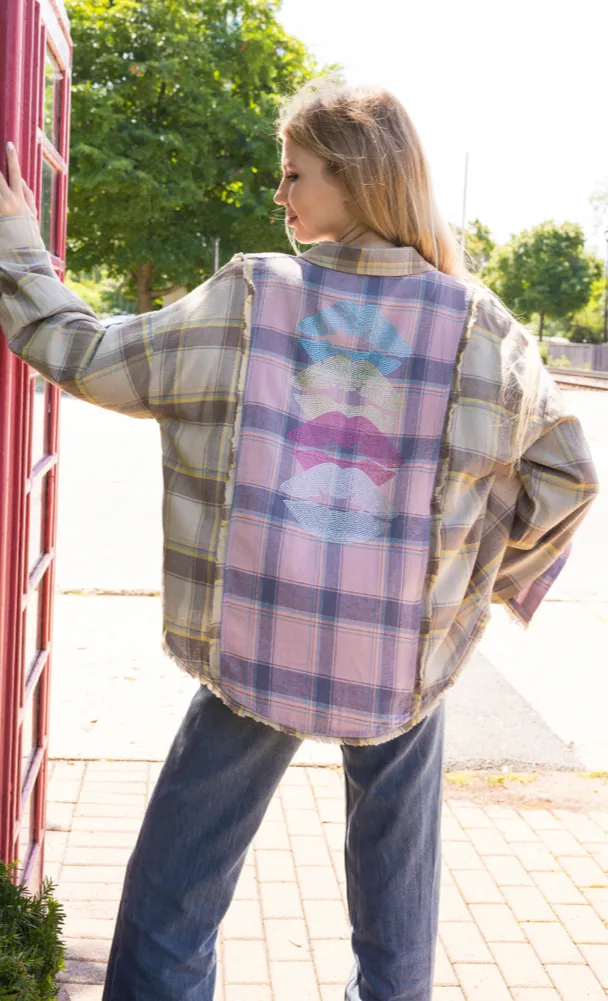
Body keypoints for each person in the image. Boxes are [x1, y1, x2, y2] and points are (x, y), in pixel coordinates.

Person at [0, 82, 598, 1001]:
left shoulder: (253, 296)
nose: (280, 198)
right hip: (400, 656)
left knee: (173, 900)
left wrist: (16, 243)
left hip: (261, 638)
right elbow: (567, 477)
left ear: (354, 178)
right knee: (397, 920)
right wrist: (464, 579)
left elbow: (88, 356)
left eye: (295, 175)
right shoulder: (478, 325)